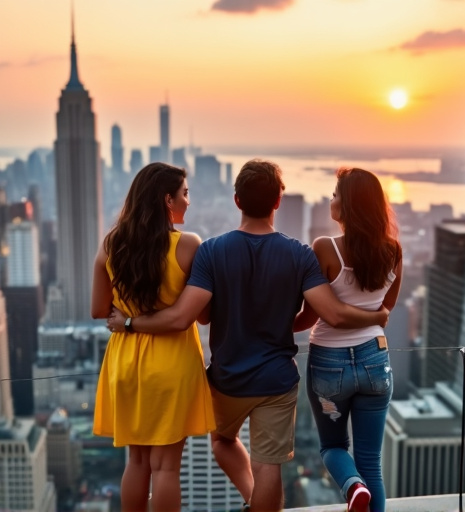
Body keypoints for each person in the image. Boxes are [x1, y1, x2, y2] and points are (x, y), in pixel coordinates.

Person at [107, 159, 389, 512]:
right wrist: (372, 315)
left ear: (237, 200)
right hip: (277, 380)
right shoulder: (300, 254)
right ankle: (260, 503)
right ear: (277, 202)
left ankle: (251, 498)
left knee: (222, 441)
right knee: (268, 463)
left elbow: (196, 316)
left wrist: (132, 323)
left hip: (227, 378)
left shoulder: (211, 250)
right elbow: (324, 312)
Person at [91, 162, 216, 512]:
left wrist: (128, 319)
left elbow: (99, 310)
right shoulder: (189, 245)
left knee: (137, 462)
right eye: (185, 194)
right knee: (166, 466)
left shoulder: (110, 244)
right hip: (171, 363)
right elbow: (199, 314)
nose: (189, 201)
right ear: (166, 199)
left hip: (125, 362)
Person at [293, 167, 402, 512]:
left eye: (336, 193)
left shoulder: (325, 248)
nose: (331, 199)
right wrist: (372, 318)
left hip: (329, 364)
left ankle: (353, 487)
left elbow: (313, 314)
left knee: (333, 447)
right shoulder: (394, 252)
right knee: (371, 462)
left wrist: (273, 329)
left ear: (350, 204)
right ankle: (362, 487)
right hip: (375, 360)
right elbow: (386, 309)